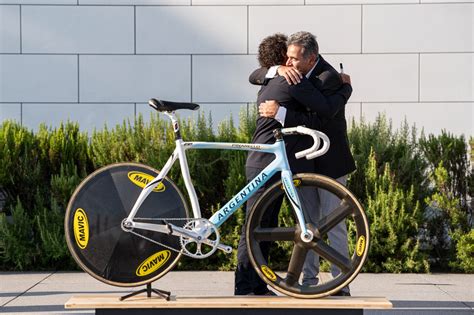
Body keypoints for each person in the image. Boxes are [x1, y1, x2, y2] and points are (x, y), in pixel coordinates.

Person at [234, 32, 353, 296]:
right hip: (300, 161)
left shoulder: (328, 77)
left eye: (294, 58)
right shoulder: (285, 76)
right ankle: (308, 282)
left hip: (328, 162)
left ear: (310, 58)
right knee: (305, 224)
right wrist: (277, 68)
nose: (290, 62)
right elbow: (256, 73)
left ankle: (339, 284)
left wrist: (346, 89)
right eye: (285, 57)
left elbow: (326, 113)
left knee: (332, 225)